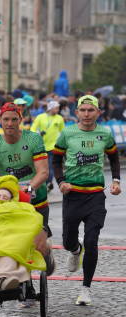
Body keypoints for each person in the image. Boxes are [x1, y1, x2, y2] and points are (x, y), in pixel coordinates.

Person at [0, 102, 56, 309]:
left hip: (36, 202)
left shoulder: (33, 139)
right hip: (11, 204)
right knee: (16, 245)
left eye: (14, 119)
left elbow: (43, 172)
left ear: (21, 120)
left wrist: (28, 187)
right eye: (6, 119)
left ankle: (47, 252)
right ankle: (27, 287)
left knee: (36, 246)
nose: (10, 123)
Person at [52, 95, 122, 305]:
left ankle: (85, 289)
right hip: (72, 195)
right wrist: (61, 181)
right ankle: (75, 249)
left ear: (98, 113)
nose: (86, 114)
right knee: (67, 242)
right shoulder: (67, 133)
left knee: (92, 240)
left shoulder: (105, 134)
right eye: (83, 110)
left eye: (91, 110)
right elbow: (56, 159)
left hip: (95, 196)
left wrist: (116, 180)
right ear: (77, 113)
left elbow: (114, 157)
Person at [30, 100, 66, 191]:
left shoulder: (59, 118)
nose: (58, 110)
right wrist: (38, 133)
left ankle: (48, 184)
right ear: (51, 108)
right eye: (56, 108)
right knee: (39, 168)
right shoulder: (40, 117)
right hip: (40, 147)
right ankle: (40, 184)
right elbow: (33, 128)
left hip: (53, 148)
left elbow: (63, 132)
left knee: (50, 166)